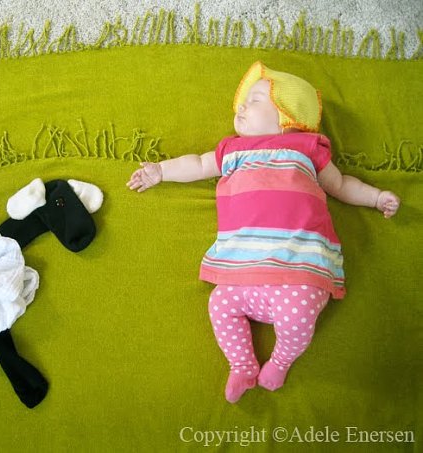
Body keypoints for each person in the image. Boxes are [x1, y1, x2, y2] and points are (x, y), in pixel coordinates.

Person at [126, 61, 400, 403]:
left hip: (299, 268)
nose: (240, 107)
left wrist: (376, 197)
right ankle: (242, 365)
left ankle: (281, 361)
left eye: (253, 100)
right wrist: (160, 172)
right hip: (243, 268)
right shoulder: (232, 149)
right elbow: (197, 164)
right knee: (219, 304)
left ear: (287, 115)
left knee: (298, 317)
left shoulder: (306, 147)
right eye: (242, 102)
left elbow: (341, 185)